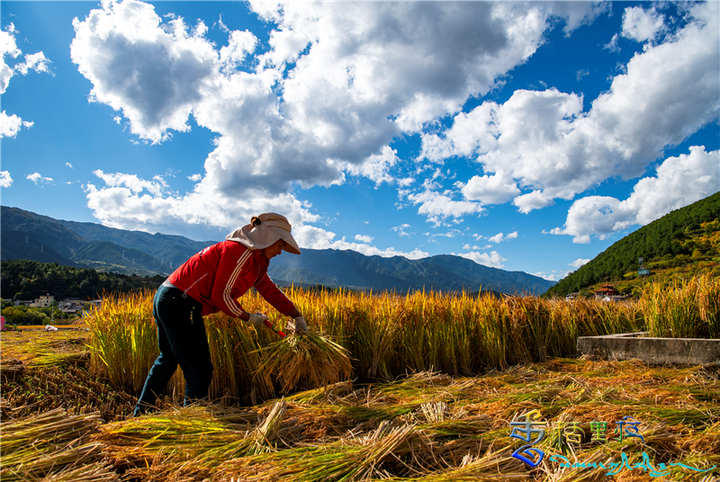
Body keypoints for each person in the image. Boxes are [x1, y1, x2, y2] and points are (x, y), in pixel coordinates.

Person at [133, 212, 308, 416]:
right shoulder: (239, 251)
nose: (280, 251)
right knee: (199, 372)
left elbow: (269, 290)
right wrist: (248, 317)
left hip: (171, 297)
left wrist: (296, 315)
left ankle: (140, 416)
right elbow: (221, 295)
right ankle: (192, 427)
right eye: (280, 245)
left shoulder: (258, 260)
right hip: (181, 301)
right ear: (268, 237)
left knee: (169, 359)